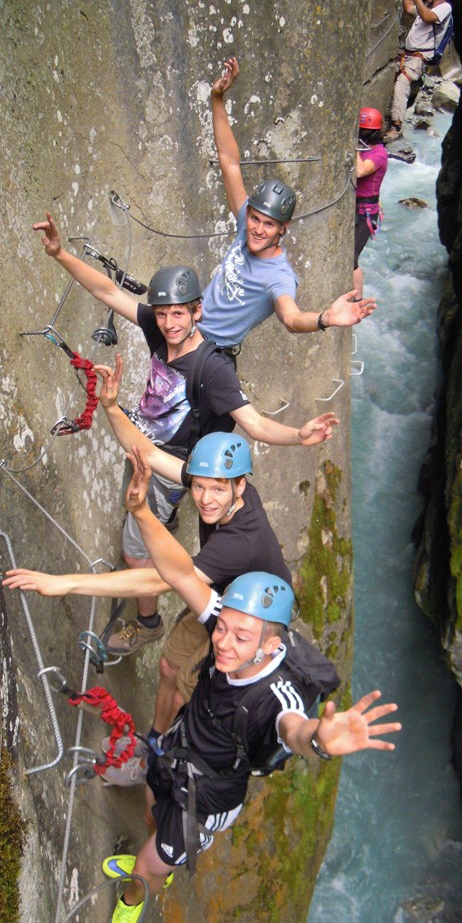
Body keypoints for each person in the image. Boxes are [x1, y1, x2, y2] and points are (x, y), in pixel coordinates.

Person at [97, 447, 402, 923]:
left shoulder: (272, 695)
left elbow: (290, 728)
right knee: (153, 805)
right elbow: (178, 574)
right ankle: (155, 853)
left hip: (210, 794)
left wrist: (318, 741)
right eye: (225, 628)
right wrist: (141, 511)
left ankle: (140, 889)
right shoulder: (232, 627)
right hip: (179, 751)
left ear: (272, 647)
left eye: (241, 638)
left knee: (153, 860)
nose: (222, 643)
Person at [33, 216, 336, 645]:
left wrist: (298, 436)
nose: (170, 323)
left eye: (179, 313)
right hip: (144, 444)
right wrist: (60, 253)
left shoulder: (212, 369)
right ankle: (163, 523)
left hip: (168, 467)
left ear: (198, 310)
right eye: (162, 314)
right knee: (139, 515)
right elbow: (107, 291)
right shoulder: (160, 333)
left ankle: (148, 624)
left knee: (134, 549)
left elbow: (252, 422)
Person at [4, 425, 293, 745]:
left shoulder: (241, 542)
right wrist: (110, 406)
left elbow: (161, 579)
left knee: (185, 696)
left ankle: (163, 756)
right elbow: (151, 454)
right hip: (218, 594)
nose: (205, 499)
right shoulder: (221, 478)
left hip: (248, 623)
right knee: (169, 666)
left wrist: (67, 583)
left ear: (240, 485)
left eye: (217, 490)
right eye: (198, 487)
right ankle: (154, 738)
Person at [203, 55, 377, 350]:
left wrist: (325, 318)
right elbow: (229, 162)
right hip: (187, 333)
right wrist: (217, 98)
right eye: (255, 219)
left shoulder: (279, 277)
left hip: (212, 355)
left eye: (268, 224)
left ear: (283, 228)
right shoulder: (246, 226)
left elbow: (291, 318)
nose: (258, 229)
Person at [386, 0, 453, 140]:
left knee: (402, 83)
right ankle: (390, 118)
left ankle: (396, 126)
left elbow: (427, 17)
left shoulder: (445, 8)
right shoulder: (426, 7)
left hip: (418, 58)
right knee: (395, 83)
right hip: (408, 55)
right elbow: (409, 8)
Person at [354, 108, 388, 295]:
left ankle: (358, 299)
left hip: (366, 211)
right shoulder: (365, 149)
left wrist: (353, 145)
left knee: (352, 258)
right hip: (354, 208)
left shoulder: (379, 153)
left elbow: (360, 171)